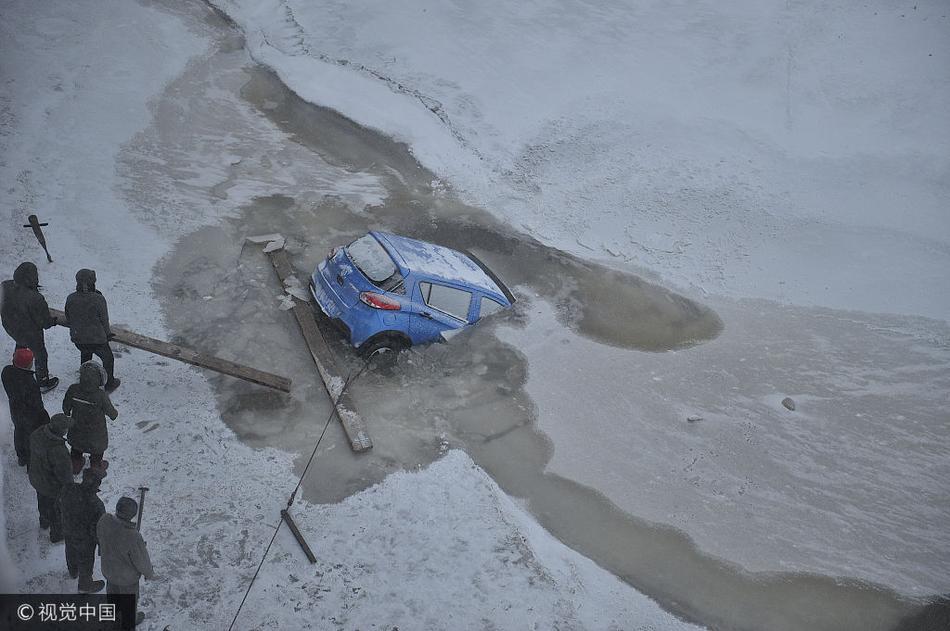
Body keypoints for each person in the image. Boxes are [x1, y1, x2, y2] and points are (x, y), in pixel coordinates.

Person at [1, 262, 59, 390]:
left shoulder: (5, 286)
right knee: (40, 354)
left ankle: (17, 368)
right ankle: (43, 381)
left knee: (20, 343)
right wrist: (53, 320)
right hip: (29, 332)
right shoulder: (36, 298)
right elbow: (45, 323)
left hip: (11, 327)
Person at [98, 497, 154, 629]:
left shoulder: (104, 520)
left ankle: (111, 615)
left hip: (109, 571)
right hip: (127, 579)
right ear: (132, 515)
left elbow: (102, 539)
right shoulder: (133, 536)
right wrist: (149, 573)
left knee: (112, 595)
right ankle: (128, 624)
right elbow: (142, 561)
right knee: (129, 603)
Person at [64, 269, 119, 391]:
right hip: (97, 339)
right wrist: (108, 334)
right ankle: (109, 382)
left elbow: (68, 317)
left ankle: (84, 376)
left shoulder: (71, 298)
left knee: (85, 352)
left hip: (78, 339)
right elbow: (104, 320)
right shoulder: (98, 299)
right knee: (108, 358)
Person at [63, 360, 118, 474]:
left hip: (77, 428)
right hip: (96, 433)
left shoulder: (73, 389)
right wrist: (114, 414)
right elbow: (112, 414)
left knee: (76, 447)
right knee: (97, 450)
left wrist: (67, 412)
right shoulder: (100, 395)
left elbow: (66, 406)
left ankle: (75, 463)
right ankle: (95, 466)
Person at [28, 413, 74, 542]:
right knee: (56, 511)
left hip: (37, 478)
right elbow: (65, 475)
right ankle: (57, 535)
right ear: (62, 431)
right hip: (51, 487)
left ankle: (44, 521)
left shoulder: (37, 433)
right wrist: (69, 489)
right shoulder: (58, 450)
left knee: (42, 501)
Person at [60, 467, 107, 593]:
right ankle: (85, 584)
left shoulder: (69, 489)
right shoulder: (97, 505)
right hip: (85, 540)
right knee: (86, 560)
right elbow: (99, 529)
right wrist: (100, 544)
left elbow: (61, 504)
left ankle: (73, 571)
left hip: (68, 531)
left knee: (70, 550)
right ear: (97, 484)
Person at [1, 348, 50, 466]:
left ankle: (21, 456)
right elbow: (36, 404)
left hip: (15, 410)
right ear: (29, 364)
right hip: (30, 415)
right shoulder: (29, 383)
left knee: (19, 432)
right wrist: (43, 416)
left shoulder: (6, 372)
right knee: (31, 437)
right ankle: (30, 460)